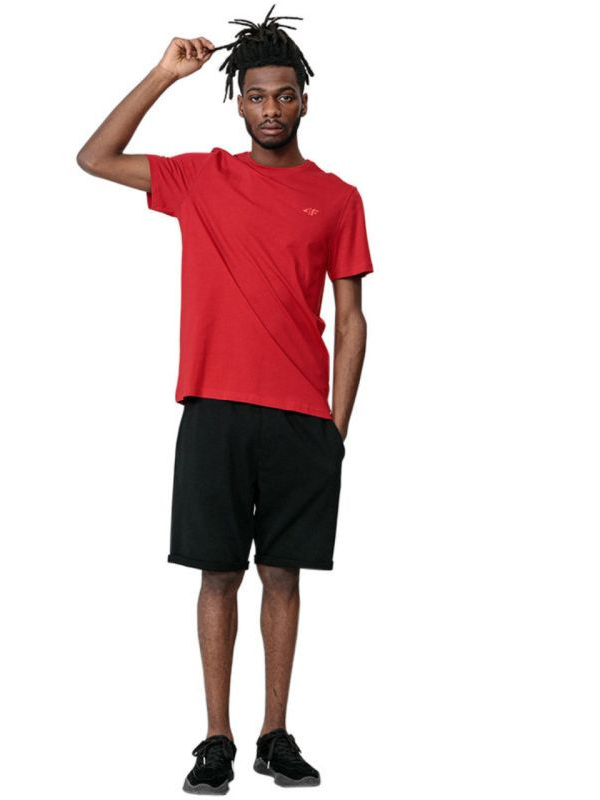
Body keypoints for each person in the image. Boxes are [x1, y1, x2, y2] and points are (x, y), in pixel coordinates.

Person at [76, 5, 373, 793]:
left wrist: (336, 427)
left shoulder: (338, 198)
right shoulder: (200, 178)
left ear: (304, 99)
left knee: (283, 576)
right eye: (257, 95)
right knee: (216, 576)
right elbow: (94, 157)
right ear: (238, 102)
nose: (271, 109)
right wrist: (164, 74)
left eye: (284, 95)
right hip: (212, 406)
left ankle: (276, 735)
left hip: (302, 418)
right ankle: (217, 740)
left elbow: (351, 318)